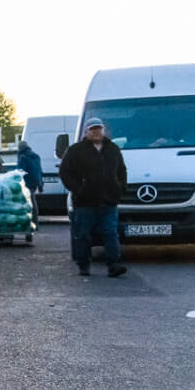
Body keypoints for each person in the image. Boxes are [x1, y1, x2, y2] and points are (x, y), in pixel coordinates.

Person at [58, 117, 128, 277]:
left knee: (110, 232)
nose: (96, 132)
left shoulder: (113, 149)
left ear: (104, 130)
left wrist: (120, 188)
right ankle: (83, 264)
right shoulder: (75, 150)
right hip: (85, 202)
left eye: (99, 129)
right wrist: (78, 189)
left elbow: (122, 170)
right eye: (93, 129)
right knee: (83, 234)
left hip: (109, 200)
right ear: (86, 132)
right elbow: (64, 172)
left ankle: (114, 264)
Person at [16, 139, 43, 204]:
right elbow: (40, 170)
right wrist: (41, 184)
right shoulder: (36, 156)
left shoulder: (23, 157)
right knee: (32, 197)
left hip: (27, 181)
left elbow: (21, 170)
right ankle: (35, 213)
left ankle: (33, 213)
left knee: (29, 199)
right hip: (36, 181)